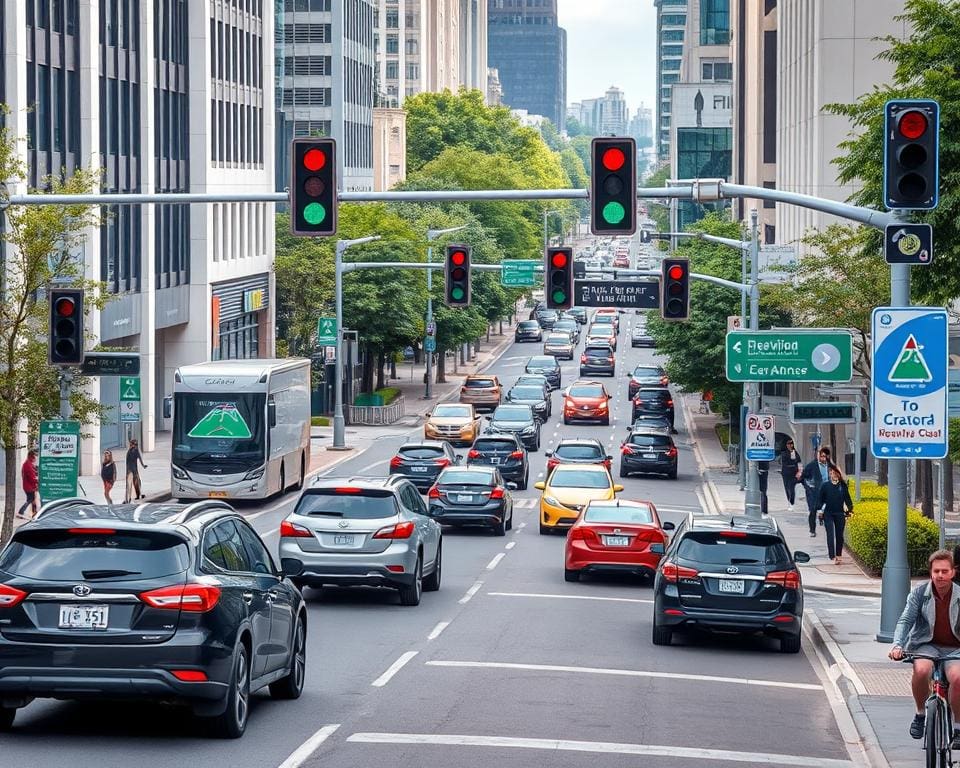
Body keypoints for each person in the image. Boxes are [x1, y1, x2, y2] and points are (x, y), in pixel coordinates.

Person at [889, 549, 960, 748]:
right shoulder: (920, 593)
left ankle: (958, 726)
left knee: (957, 677)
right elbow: (905, 620)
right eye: (936, 571)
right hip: (925, 645)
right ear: (931, 572)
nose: (940, 575)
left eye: (945, 571)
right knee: (921, 670)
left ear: (953, 572)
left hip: (955, 648)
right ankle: (920, 714)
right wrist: (897, 645)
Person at [815, 464, 854, 565]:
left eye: (836, 473)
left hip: (839, 513)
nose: (834, 475)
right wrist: (820, 511)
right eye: (832, 473)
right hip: (828, 513)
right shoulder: (825, 486)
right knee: (830, 534)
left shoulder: (843, 486)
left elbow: (848, 499)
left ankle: (839, 555)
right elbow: (820, 500)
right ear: (829, 474)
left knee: (839, 535)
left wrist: (850, 510)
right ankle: (832, 555)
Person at [799, 446, 832, 537]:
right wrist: (808, 487)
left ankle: (827, 527)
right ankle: (812, 530)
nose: (823, 458)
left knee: (827, 510)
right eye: (821, 455)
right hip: (813, 493)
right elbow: (803, 477)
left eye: (825, 456)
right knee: (812, 511)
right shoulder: (811, 466)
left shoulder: (830, 465)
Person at [779, 439, 802, 511]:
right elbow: (784, 462)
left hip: (793, 473)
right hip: (785, 473)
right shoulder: (784, 453)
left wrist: (799, 472)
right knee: (787, 488)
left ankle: (792, 503)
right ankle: (789, 501)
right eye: (788, 444)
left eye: (791, 444)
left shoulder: (796, 453)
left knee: (791, 488)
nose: (790, 445)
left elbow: (798, 462)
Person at [16, 450, 39, 519]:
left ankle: (33, 514)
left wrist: (35, 471)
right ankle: (22, 512)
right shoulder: (28, 465)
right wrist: (38, 481)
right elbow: (32, 478)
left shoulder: (27, 463)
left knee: (32, 500)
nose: (36, 459)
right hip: (29, 487)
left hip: (27, 486)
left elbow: (31, 473)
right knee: (31, 500)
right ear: (32, 457)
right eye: (35, 457)